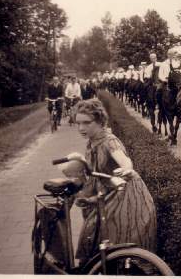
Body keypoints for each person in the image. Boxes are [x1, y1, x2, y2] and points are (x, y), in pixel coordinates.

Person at [64, 99, 156, 265]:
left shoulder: (109, 141)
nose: (81, 128)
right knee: (97, 236)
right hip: (108, 192)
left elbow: (124, 160)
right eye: (78, 123)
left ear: (99, 121)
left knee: (115, 236)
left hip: (124, 194)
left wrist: (127, 169)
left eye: (86, 123)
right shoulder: (92, 142)